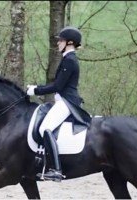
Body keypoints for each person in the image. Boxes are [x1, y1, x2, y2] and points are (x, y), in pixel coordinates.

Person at [26, 26, 91, 182]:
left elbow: (57, 86)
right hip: (63, 101)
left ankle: (56, 169)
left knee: (45, 128)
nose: (58, 44)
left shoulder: (70, 60)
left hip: (68, 102)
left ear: (69, 42)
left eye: (61, 40)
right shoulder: (68, 59)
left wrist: (35, 90)